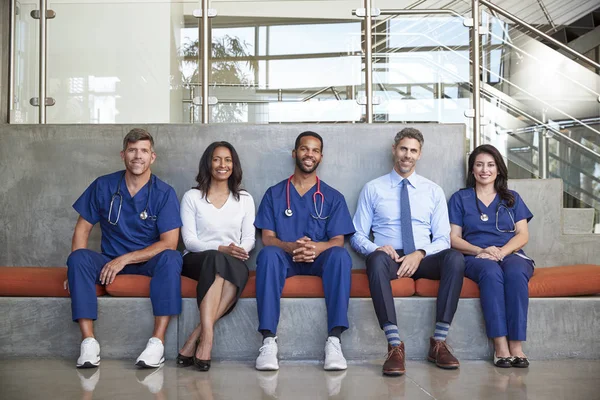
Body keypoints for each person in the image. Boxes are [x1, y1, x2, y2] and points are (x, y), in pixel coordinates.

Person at [351, 127, 465, 376]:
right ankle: (394, 345)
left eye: (413, 150)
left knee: (455, 258)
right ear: (394, 150)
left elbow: (444, 239)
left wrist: (420, 253)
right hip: (390, 259)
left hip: (425, 257)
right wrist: (377, 248)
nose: (407, 155)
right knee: (375, 260)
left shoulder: (433, 191)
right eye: (403, 148)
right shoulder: (373, 188)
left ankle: (439, 342)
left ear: (420, 154)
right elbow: (357, 235)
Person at [66, 128, 183, 369]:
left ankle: (157, 343)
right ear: (123, 154)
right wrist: (74, 270)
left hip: (147, 264)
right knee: (77, 259)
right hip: (108, 262)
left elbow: (169, 242)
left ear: (153, 157)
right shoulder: (103, 185)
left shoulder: (164, 193)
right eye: (132, 150)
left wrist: (125, 259)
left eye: (143, 151)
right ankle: (88, 343)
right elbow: (82, 229)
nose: (137, 156)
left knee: (171, 258)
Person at [253, 131, 355, 371]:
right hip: (284, 259)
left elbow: (338, 240)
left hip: (319, 260)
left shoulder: (332, 196)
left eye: (315, 150)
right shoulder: (274, 194)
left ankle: (335, 341)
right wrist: (290, 246)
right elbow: (267, 238)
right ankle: (268, 342)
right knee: (267, 255)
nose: (309, 154)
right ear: (294, 153)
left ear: (321, 157)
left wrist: (317, 247)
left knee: (340, 256)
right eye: (304, 148)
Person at [448, 144, 534, 368]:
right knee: (491, 272)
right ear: (472, 170)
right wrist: (481, 251)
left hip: (511, 254)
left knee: (515, 272)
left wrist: (501, 252)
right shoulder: (460, 198)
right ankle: (500, 346)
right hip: (475, 257)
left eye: (490, 165)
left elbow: (522, 235)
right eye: (479, 165)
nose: (484, 170)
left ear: (498, 169)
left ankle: (516, 346)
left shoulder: (512, 198)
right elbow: (453, 238)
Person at [176, 141, 255, 371]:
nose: (223, 165)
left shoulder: (244, 199)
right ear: (208, 163)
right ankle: (208, 340)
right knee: (215, 259)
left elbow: (249, 237)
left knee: (224, 266)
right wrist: (222, 248)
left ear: (234, 165)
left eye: (228, 160)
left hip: (234, 259)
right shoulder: (192, 197)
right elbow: (189, 241)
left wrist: (240, 250)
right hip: (196, 259)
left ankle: (195, 337)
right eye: (217, 159)